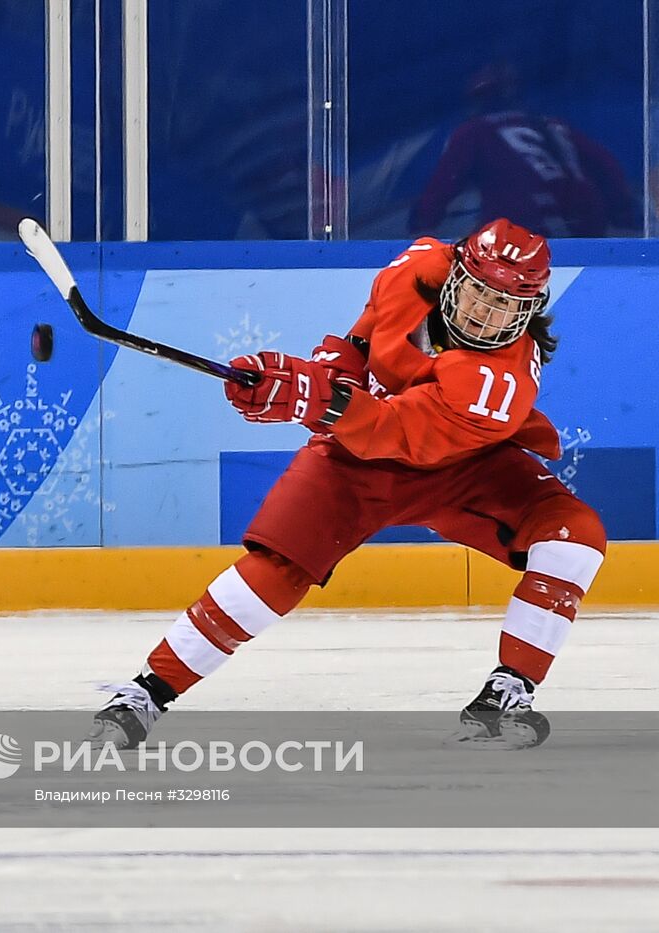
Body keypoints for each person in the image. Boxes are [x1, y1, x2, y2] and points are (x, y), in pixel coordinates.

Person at [90, 217, 607, 750]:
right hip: (355, 456)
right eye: (478, 292)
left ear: (527, 312)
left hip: (464, 466)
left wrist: (314, 398)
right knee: (276, 567)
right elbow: (360, 340)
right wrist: (317, 375)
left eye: (503, 305)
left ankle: (508, 691)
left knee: (574, 535)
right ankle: (146, 693)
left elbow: (393, 431)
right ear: (455, 274)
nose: (483, 312)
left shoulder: (500, 382)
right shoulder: (417, 266)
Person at [410, 62, 639, 239]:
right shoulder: (554, 126)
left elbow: (441, 187)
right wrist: (625, 216)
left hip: (521, 236)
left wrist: (421, 228)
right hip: (586, 229)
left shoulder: (474, 132)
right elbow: (607, 165)